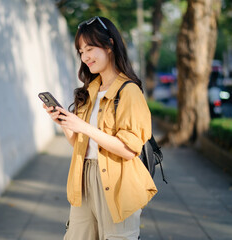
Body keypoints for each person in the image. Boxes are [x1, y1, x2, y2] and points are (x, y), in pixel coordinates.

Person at [42, 16, 157, 240]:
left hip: (117, 183)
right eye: (81, 51)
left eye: (90, 49)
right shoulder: (90, 90)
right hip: (84, 179)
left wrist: (83, 127)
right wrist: (65, 125)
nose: (85, 57)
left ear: (110, 45)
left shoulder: (129, 91)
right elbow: (80, 145)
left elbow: (128, 150)